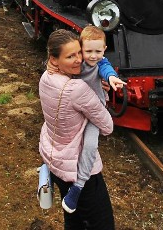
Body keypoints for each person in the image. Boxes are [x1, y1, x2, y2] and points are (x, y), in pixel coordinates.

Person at [40, 29, 115, 228]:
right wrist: (100, 94)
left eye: (79, 53)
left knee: (73, 220)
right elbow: (107, 126)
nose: (79, 60)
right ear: (54, 59)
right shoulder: (77, 89)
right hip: (81, 171)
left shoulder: (46, 78)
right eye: (71, 56)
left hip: (56, 162)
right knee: (102, 224)